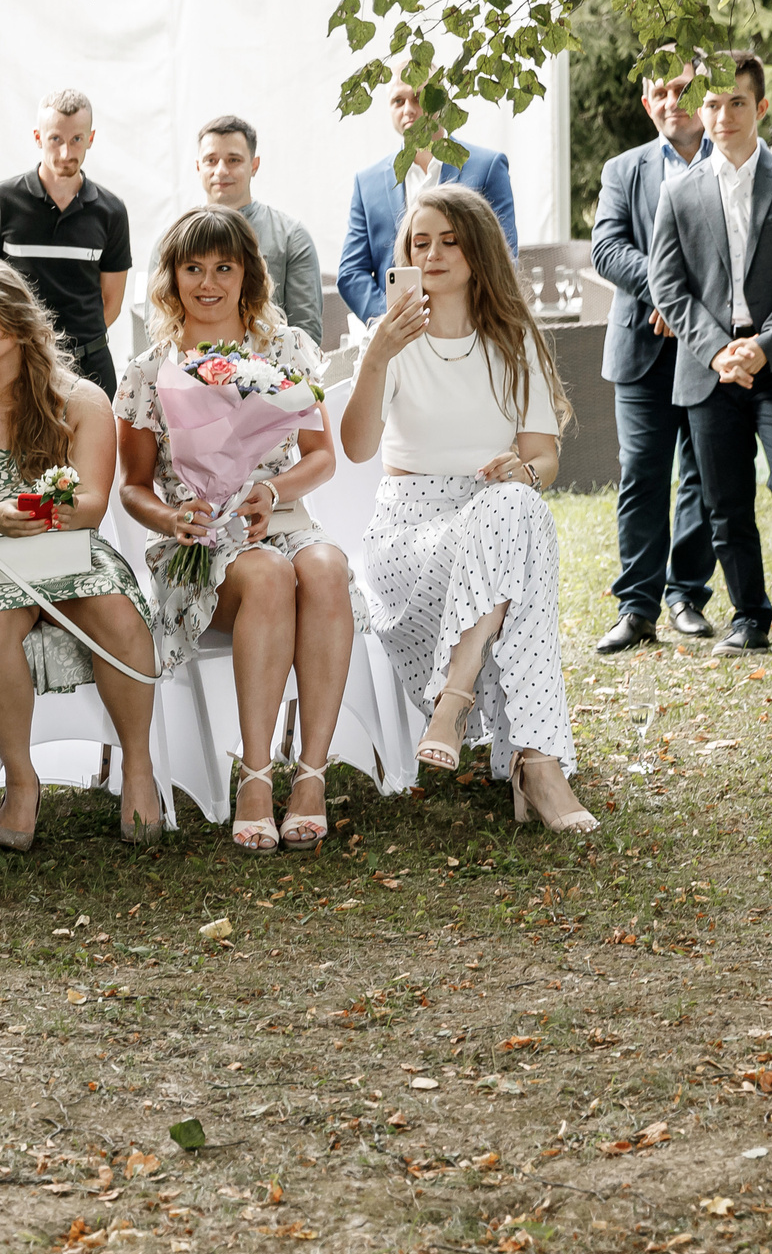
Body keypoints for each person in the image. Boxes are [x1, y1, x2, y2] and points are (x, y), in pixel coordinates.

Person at [341, 185, 596, 834]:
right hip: (410, 536)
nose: (432, 253)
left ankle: (459, 705)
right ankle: (535, 764)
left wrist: (523, 469)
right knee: (522, 525)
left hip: (491, 519)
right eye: (418, 242)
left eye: (449, 240)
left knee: (517, 506)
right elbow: (357, 445)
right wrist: (376, 356)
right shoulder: (393, 339)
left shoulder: (514, 340)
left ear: (479, 254)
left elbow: (543, 459)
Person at [116, 206, 358, 853]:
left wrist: (270, 489)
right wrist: (173, 515)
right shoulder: (148, 369)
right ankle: (255, 776)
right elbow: (133, 485)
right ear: (171, 275)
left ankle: (309, 775)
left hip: (283, 520)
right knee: (272, 574)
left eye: (224, 266)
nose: (208, 281)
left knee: (326, 566)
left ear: (248, 272)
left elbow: (321, 455)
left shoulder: (285, 349)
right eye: (193, 267)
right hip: (195, 544)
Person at [0, 259, 161, 849]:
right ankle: (21, 781)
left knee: (121, 616)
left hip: (67, 546)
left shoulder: (81, 399)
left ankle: (137, 766)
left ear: (18, 317)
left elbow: (94, 505)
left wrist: (45, 516)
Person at [646, 52, 772, 661]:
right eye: (711, 104)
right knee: (724, 500)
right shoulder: (677, 193)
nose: (723, 114)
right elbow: (668, 284)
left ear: (759, 107)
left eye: (736, 102)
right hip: (711, 369)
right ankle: (749, 617)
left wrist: (764, 345)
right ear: (699, 111)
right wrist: (716, 353)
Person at [589, 55, 716, 652]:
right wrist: (666, 290)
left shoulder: (729, 161)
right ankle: (637, 607)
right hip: (642, 342)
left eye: (683, 89)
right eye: (660, 92)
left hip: (711, 342)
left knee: (703, 472)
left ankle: (687, 594)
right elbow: (607, 248)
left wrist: (690, 304)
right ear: (647, 103)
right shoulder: (624, 170)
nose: (672, 101)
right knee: (641, 472)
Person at [0, 89, 131, 396]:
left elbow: (111, 302)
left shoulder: (111, 211)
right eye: (56, 140)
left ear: (91, 138)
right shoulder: (0, 202)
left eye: (77, 139)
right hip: (18, 365)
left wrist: (70, 347)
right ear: (38, 138)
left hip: (91, 368)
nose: (66, 152)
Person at [337, 77, 519, 324]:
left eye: (418, 97)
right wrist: (393, 318)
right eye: (398, 101)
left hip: (469, 326)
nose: (408, 109)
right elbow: (351, 272)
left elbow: (504, 259)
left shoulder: (487, 166)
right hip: (397, 336)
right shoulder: (367, 182)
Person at [195, 113, 323, 345]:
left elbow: (306, 334)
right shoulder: (172, 240)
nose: (221, 170)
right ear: (198, 167)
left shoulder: (291, 236)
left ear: (254, 165)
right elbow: (159, 327)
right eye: (211, 160)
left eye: (233, 160)